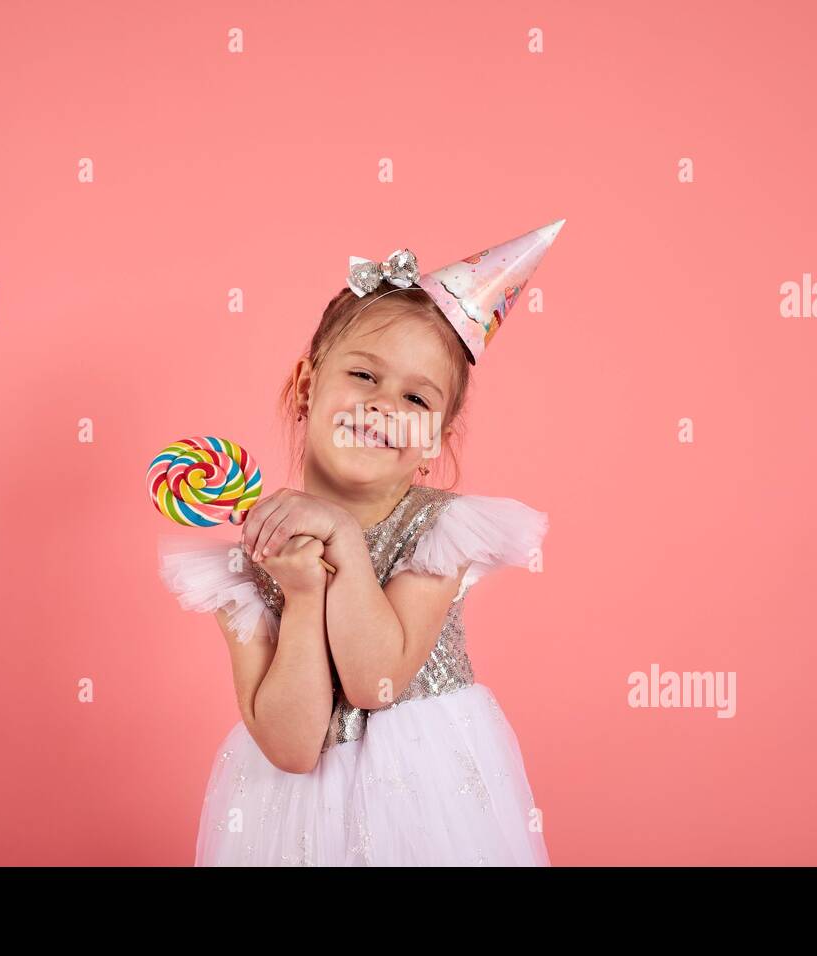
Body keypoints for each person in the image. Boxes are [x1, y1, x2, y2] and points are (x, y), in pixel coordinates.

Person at [158, 220, 565, 865]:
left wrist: (344, 539)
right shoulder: (246, 564)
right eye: (363, 376)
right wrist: (299, 592)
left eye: (415, 397)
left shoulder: (439, 532)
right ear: (305, 387)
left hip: (426, 801)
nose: (382, 408)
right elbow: (292, 747)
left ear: (436, 440)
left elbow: (377, 680)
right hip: (289, 821)